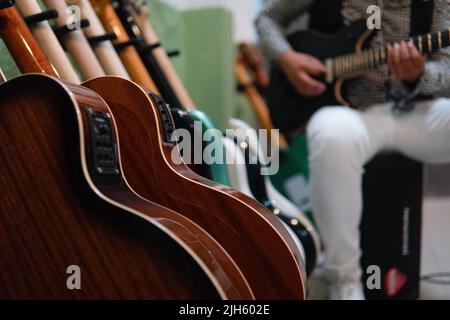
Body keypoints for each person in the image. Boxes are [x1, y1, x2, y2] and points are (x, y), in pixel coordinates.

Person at [255, 0, 450, 299]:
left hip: (417, 111)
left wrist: (418, 75)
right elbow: (267, 18)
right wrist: (287, 59)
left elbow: (446, 64)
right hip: (352, 114)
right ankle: (344, 279)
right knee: (330, 135)